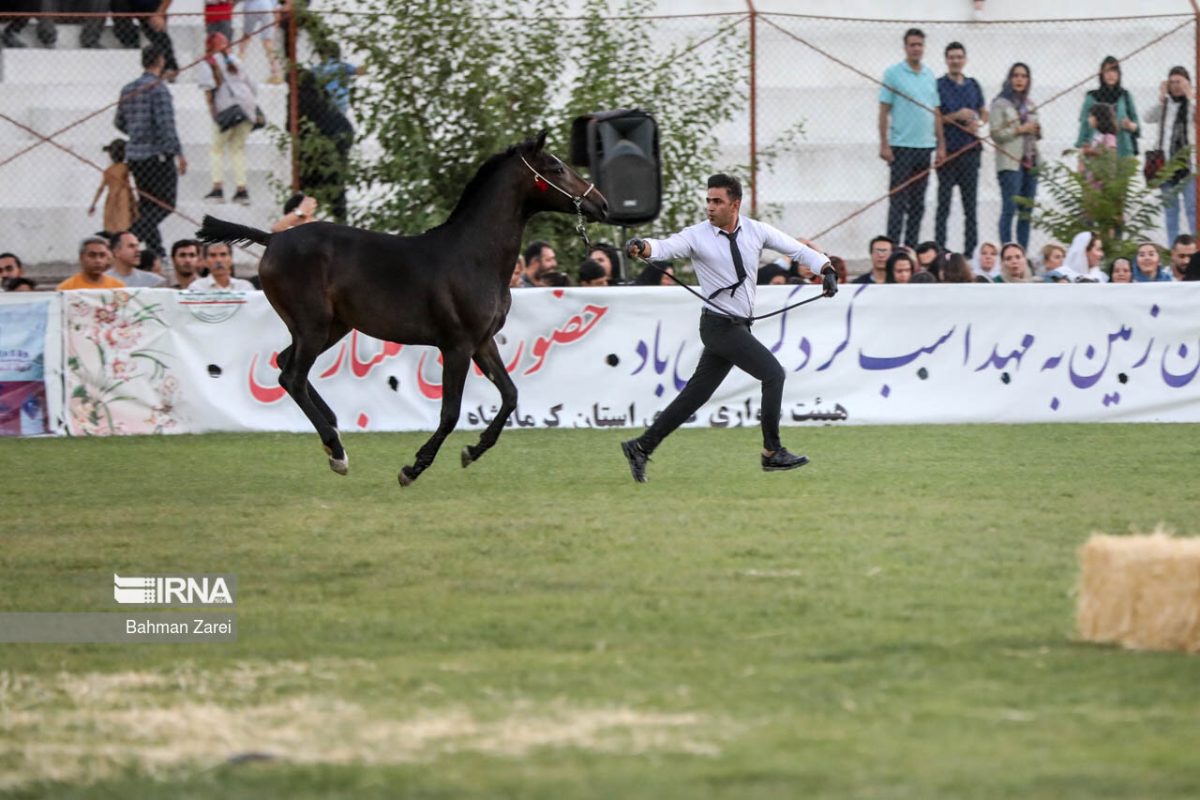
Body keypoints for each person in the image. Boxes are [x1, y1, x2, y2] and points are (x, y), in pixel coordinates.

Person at [619, 173, 836, 483]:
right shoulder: (696, 236)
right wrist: (643, 246)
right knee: (773, 374)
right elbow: (664, 247)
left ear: (735, 204)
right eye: (708, 200)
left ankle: (640, 447)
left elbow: (797, 250)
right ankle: (772, 452)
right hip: (718, 327)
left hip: (738, 327)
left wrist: (825, 268)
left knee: (695, 395)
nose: (710, 207)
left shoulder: (757, 232)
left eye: (717, 201)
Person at [115, 44, 186, 259]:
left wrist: (137, 133)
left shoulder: (128, 88)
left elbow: (119, 122)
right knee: (165, 204)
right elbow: (166, 124)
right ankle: (126, 241)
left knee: (148, 206)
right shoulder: (159, 89)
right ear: (161, 60)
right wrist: (178, 153)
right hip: (158, 156)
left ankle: (156, 252)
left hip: (136, 155)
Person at [878, 28, 945, 248]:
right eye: (912, 44)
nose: (916, 48)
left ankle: (909, 249)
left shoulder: (929, 75)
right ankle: (893, 249)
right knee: (898, 202)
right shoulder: (893, 74)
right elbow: (884, 111)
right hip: (901, 146)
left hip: (925, 148)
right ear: (905, 47)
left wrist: (941, 145)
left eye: (920, 44)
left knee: (918, 203)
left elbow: (936, 113)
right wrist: (884, 144)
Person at [935, 42, 986, 257]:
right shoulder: (938, 85)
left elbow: (984, 112)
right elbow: (936, 117)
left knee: (970, 207)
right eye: (952, 57)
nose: (956, 60)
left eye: (959, 57)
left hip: (971, 152)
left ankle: (970, 252)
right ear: (947, 60)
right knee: (943, 206)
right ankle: (939, 250)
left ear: (964, 59)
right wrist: (956, 116)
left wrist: (978, 123)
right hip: (949, 152)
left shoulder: (973, 85)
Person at [199, 32, 257, 206]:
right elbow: (253, 86)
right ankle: (242, 190)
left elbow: (208, 92)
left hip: (226, 109)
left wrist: (213, 113)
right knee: (237, 149)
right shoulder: (237, 61)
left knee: (217, 149)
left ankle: (218, 188)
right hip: (247, 108)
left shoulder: (209, 62)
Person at [991, 62, 1040, 250]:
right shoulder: (1000, 104)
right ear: (1010, 79)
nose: (1020, 79)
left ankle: (1022, 252)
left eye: (1024, 76)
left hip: (1030, 162)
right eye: (1016, 75)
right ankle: (1007, 250)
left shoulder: (1030, 104)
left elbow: (1035, 132)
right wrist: (1021, 129)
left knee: (1026, 212)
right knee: (1009, 209)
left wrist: (1036, 130)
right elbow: (996, 133)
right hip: (1010, 163)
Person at [1145, 66, 1196, 244]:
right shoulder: (1167, 104)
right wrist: (1161, 98)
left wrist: (1190, 95)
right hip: (1166, 166)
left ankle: (1196, 249)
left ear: (1187, 83)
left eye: (1179, 82)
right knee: (1170, 211)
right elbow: (1147, 117)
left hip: (1189, 166)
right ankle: (1173, 250)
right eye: (1172, 82)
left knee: (1193, 209)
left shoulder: (1191, 104)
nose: (1175, 86)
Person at [1076, 56, 1140, 159]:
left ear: (1119, 74)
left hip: (1122, 149)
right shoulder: (1092, 97)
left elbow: (1137, 125)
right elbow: (1084, 124)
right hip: (1096, 151)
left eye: (1114, 71)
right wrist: (1082, 152)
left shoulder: (1125, 96)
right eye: (1107, 71)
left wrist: (1130, 126)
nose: (1111, 75)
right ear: (1101, 74)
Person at [107, 1, 179, 80]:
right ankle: (131, 42)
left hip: (150, 6)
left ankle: (170, 66)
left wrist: (159, 13)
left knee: (156, 29)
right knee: (118, 5)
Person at [88, 138, 137, 234]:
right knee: (125, 222)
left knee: (113, 223)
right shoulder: (126, 167)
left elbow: (101, 189)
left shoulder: (109, 170)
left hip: (112, 197)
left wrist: (93, 204)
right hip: (125, 197)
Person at [239, 0, 283, 84]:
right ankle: (276, 73)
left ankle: (237, 68)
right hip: (267, 7)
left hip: (251, 7)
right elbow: (277, 7)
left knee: (246, 37)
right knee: (268, 42)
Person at [57, 237, 126, 290]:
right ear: (81, 257)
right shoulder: (67, 288)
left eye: (102, 255)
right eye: (92, 255)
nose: (98, 260)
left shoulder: (118, 287)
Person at [190, 242, 254, 290]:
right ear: (205, 261)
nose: (218, 260)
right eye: (213, 255)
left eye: (223, 254)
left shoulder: (244, 287)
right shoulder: (197, 288)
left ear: (231, 259)